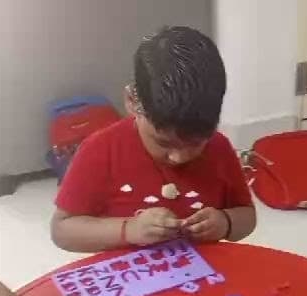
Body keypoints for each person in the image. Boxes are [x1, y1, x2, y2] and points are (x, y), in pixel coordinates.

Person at [51, 26, 256, 253]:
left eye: (195, 143)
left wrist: (225, 222)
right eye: (163, 143)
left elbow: (247, 216)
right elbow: (62, 230)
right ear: (132, 101)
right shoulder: (100, 150)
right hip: (131, 271)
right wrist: (128, 229)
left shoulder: (219, 148)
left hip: (204, 268)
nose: (179, 157)